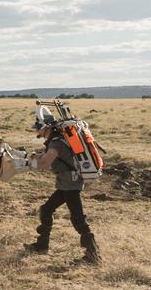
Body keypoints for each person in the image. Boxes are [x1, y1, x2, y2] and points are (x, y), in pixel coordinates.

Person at [23, 106, 99, 263]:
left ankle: (93, 254)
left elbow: (45, 163)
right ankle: (41, 245)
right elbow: (52, 157)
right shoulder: (57, 140)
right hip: (66, 182)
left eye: (38, 129)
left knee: (78, 218)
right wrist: (36, 156)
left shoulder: (56, 143)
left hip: (70, 183)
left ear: (44, 128)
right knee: (46, 209)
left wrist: (29, 163)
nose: (37, 133)